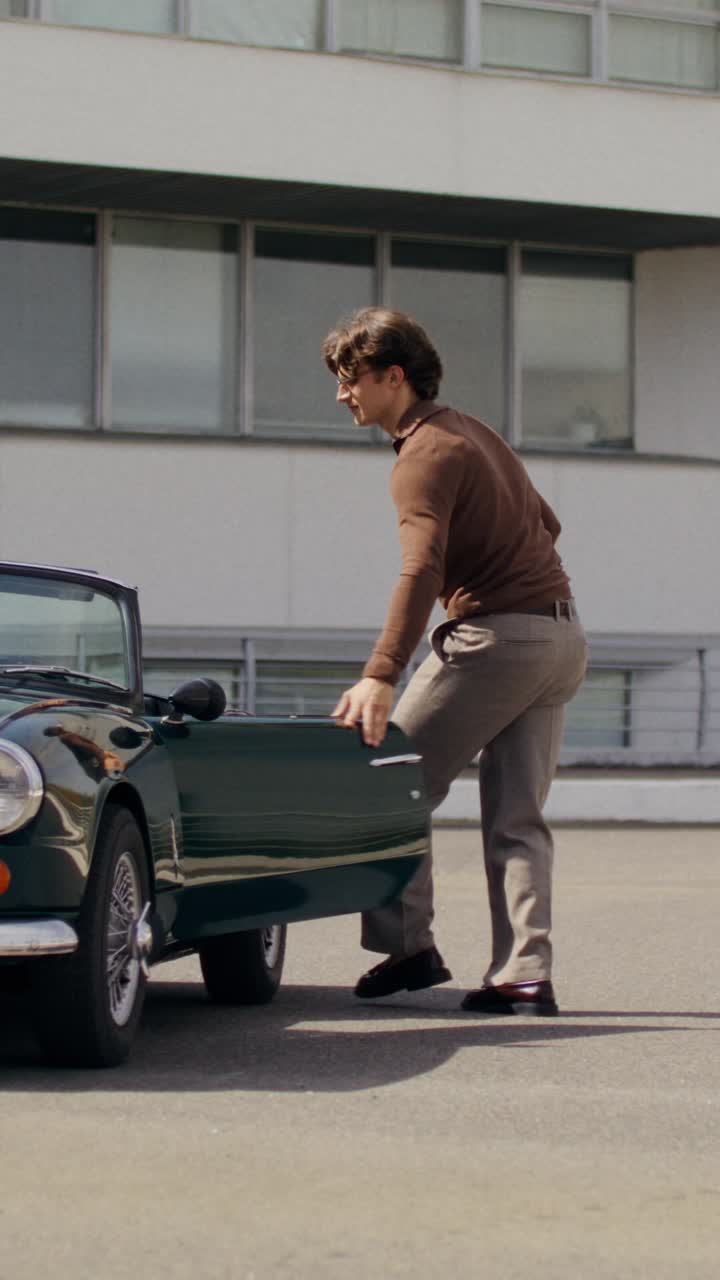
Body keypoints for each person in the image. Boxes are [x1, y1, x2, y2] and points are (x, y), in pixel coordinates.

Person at [322, 307, 588, 1016]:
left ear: (393, 376)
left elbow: (420, 569)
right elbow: (548, 523)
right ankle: (523, 974)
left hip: (497, 641)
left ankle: (409, 947)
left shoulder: (423, 454)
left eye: (350, 380)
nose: (341, 394)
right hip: (560, 637)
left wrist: (381, 673)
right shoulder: (475, 432)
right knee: (519, 818)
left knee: (388, 784)